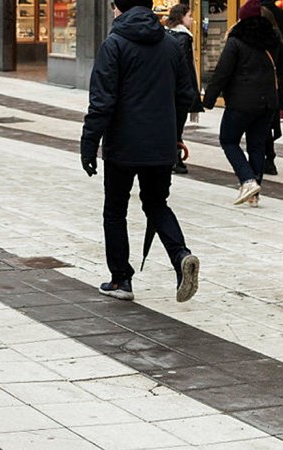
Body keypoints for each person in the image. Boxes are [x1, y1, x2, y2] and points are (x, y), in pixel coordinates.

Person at [80, 0, 200, 303]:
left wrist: (89, 144)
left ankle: (121, 279)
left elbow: (102, 101)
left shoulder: (115, 44)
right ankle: (180, 255)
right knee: (157, 204)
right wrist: (174, 135)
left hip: (123, 145)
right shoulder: (172, 45)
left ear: (120, 8)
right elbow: (185, 95)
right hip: (161, 145)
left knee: (115, 209)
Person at [203, 0, 283, 207]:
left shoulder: (236, 41)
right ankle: (254, 193)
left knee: (228, 140)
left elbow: (222, 72)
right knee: (257, 145)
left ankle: (247, 180)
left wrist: (209, 98)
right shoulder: (272, 40)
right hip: (268, 103)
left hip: (241, 102)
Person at [164, 4, 204, 176]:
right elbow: (186, 67)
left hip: (165, 89)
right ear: (181, 17)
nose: (192, 19)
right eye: (189, 16)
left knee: (169, 125)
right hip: (179, 91)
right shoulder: (184, 38)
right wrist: (192, 94)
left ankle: (172, 157)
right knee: (177, 126)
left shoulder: (165, 34)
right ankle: (175, 159)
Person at [260, 0, 283, 175]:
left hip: (254, 86)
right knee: (268, 119)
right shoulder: (281, 16)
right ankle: (268, 157)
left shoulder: (250, 17)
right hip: (275, 82)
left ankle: (260, 161)